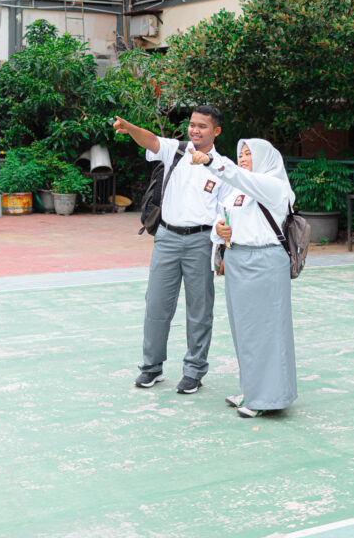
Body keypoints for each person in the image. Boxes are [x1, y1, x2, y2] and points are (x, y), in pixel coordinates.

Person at [113, 106, 229, 394]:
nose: (195, 130)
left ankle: (194, 371)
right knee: (156, 305)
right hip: (166, 237)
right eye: (192, 124)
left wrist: (223, 240)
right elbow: (151, 140)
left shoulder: (223, 167)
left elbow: (225, 212)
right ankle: (151, 367)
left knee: (199, 309)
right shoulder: (176, 151)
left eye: (202, 126)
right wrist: (130, 129)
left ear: (216, 131)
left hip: (201, 241)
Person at [191, 138, 298, 418]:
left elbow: (238, 176)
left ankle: (268, 398)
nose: (243, 157)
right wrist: (220, 230)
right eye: (241, 153)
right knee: (245, 331)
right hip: (237, 260)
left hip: (265, 262)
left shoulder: (273, 186)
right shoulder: (237, 190)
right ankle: (252, 390)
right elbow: (221, 220)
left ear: (266, 158)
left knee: (267, 332)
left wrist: (212, 161)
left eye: (249, 153)